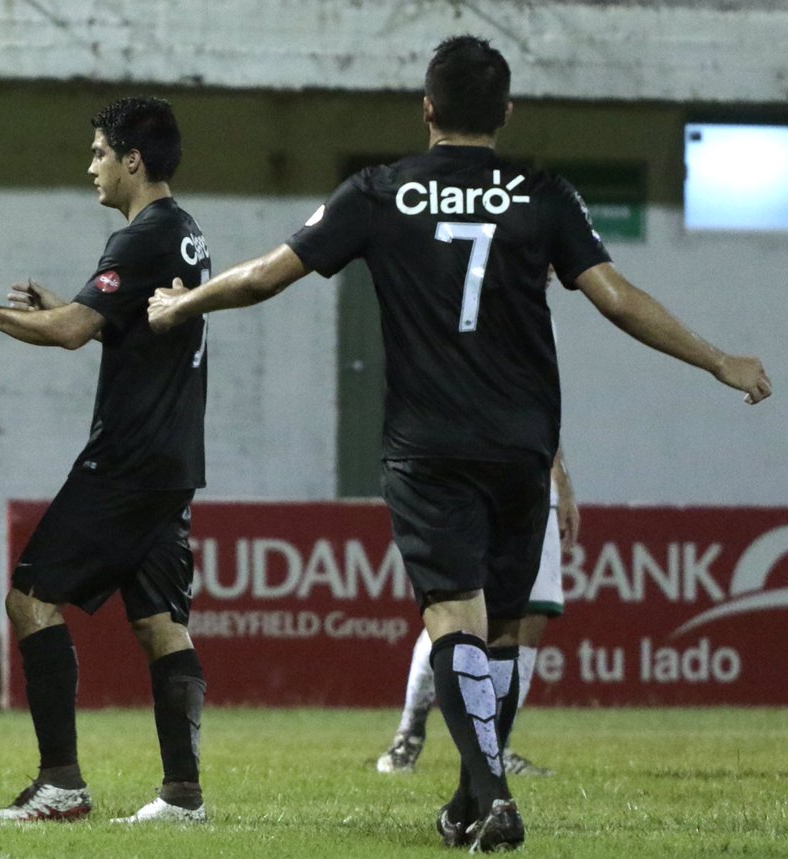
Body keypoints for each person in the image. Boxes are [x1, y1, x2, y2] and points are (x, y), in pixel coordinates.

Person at [148, 35, 770, 852]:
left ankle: (495, 794)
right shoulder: (545, 195)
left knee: (453, 618)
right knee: (502, 627)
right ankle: (472, 797)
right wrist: (717, 357)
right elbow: (616, 299)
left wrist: (182, 304)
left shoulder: (378, 192)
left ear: (428, 109)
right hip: (522, 447)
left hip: (428, 442)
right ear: (506, 113)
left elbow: (268, 274)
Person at [0, 96, 211, 824]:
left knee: (29, 596)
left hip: (126, 459)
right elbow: (121, 328)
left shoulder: (142, 236)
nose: (90, 166)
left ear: (132, 160)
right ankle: (182, 794)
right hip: (172, 458)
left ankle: (61, 783)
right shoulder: (184, 233)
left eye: (98, 153)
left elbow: (69, 332)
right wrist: (67, 306)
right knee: (160, 620)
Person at [378, 446, 578, 777]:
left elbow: (544, 410)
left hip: (535, 481)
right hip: (471, 477)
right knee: (458, 608)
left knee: (529, 618)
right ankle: (409, 734)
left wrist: (563, 482)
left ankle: (497, 749)